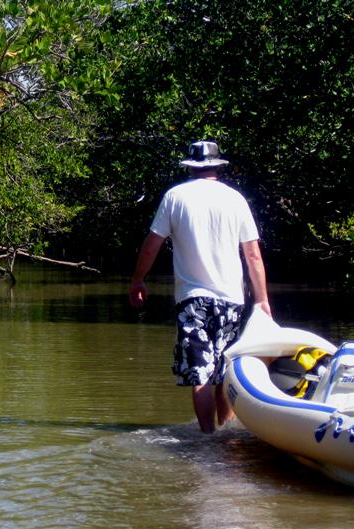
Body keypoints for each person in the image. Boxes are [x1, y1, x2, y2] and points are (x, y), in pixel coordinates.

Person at [128, 140, 271, 434]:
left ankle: (207, 440)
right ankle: (226, 434)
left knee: (201, 375)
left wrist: (138, 280)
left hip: (192, 301)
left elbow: (152, 244)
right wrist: (262, 300)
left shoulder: (175, 197)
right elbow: (253, 254)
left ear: (190, 167)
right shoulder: (236, 199)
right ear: (217, 166)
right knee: (224, 373)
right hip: (232, 299)